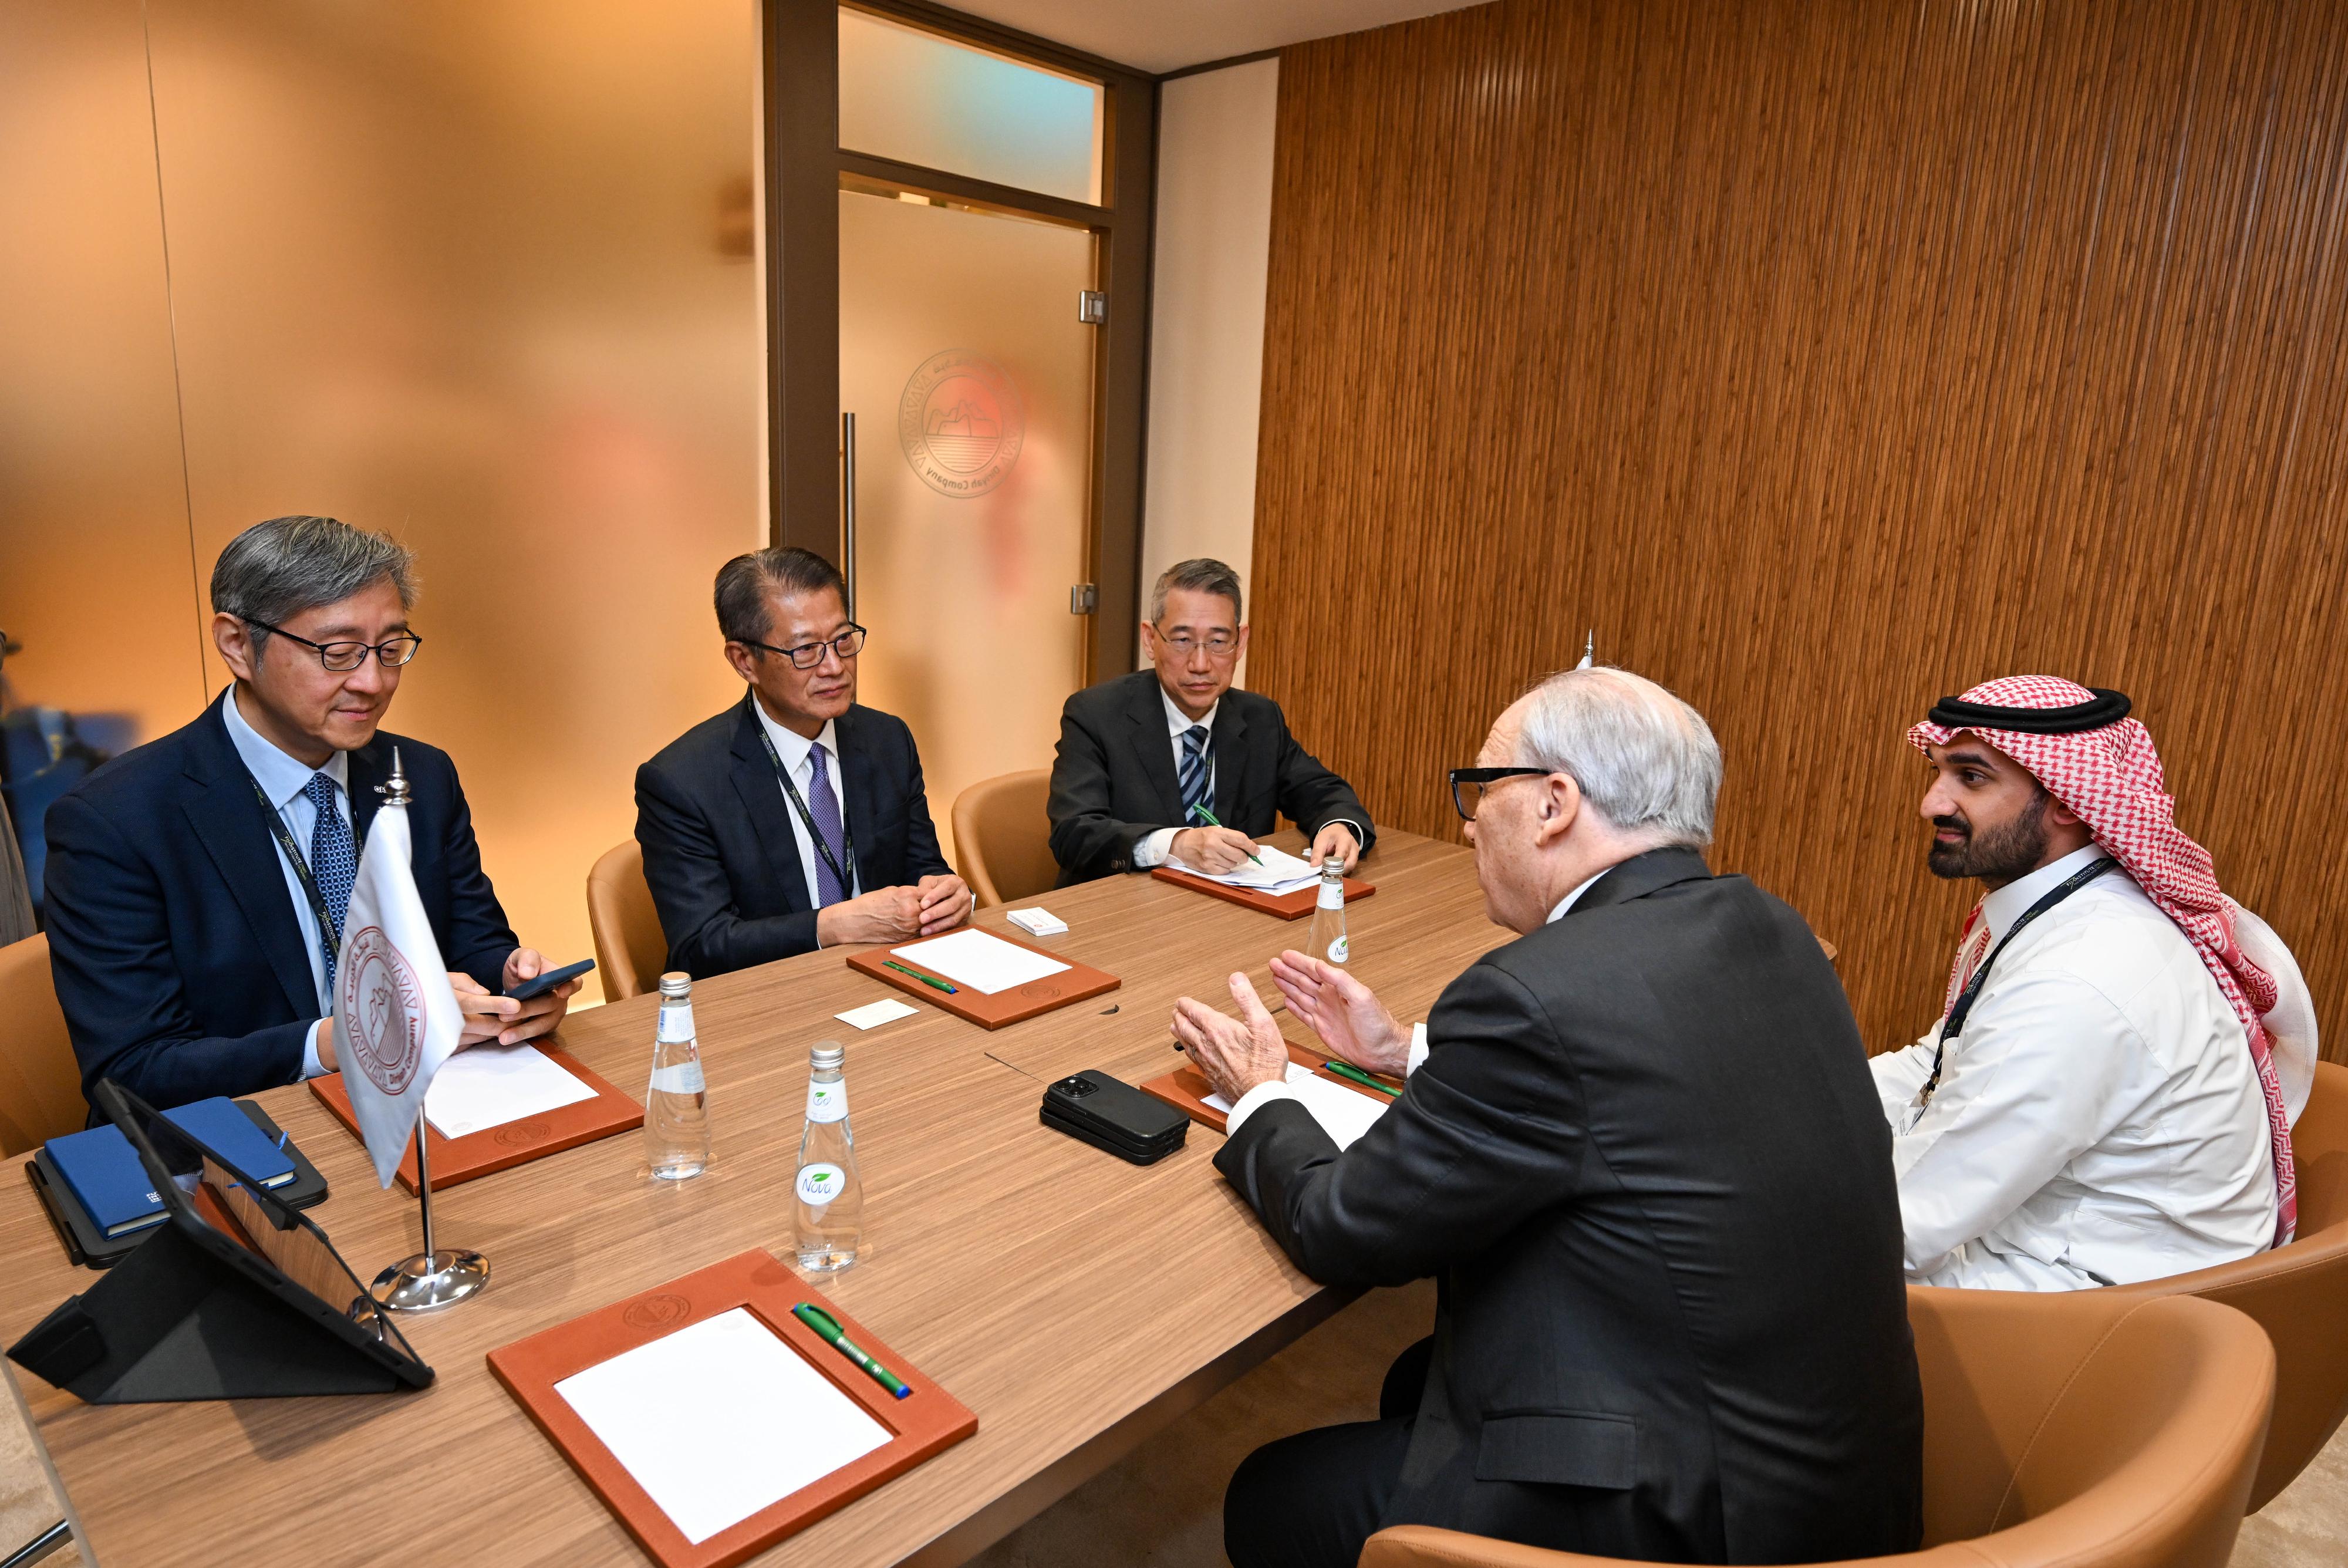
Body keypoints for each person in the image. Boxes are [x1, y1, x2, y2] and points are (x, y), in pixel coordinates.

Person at [1170, 667, 1922, 1568]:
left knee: (1277, 1493)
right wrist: (1403, 1046)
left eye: (1481, 789)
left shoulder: (1535, 993)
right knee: (1419, 1373)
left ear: (1554, 803)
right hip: (1832, 1466)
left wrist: (1261, 1092)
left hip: (1698, 1519)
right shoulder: (1774, 927)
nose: (1466, 819)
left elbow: (1342, 1225)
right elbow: (1619, 1080)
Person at [43, 515, 579, 1111]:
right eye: (339, 652)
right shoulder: (115, 820)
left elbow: (469, 939)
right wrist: (338, 1041)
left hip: (430, 1107)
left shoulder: (420, 775)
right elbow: (134, 1070)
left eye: (391, 649)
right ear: (238, 645)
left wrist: (509, 981)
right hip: (243, 1138)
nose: (373, 682)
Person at [1875, 675, 2313, 1290]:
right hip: (2053, 1235)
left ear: (2066, 799)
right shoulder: (2069, 905)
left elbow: (1901, 1228)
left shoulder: (2078, 975)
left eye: (1970, 778)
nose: (1932, 803)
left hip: (2100, 1309)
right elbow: (1938, 1066)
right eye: (1938, 771)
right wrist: (1793, 1103)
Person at [635, 547, 967, 978]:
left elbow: (923, 868)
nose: (835, 667)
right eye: (806, 649)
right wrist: (830, 927)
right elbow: (703, 945)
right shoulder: (682, 782)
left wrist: (945, 893)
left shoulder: (887, 740)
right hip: (768, 1000)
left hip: (891, 979)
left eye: (843, 639)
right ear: (744, 661)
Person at [1047, 558, 1372, 884]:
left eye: (1218, 642)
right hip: (1125, 914)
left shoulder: (1260, 718)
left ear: (1240, 642)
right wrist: (1176, 844)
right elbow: (1074, 834)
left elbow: (1322, 792)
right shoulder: (1095, 714)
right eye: (1182, 640)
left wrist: (1337, 824)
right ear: (1150, 639)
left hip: (1229, 915)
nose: (1200, 664)